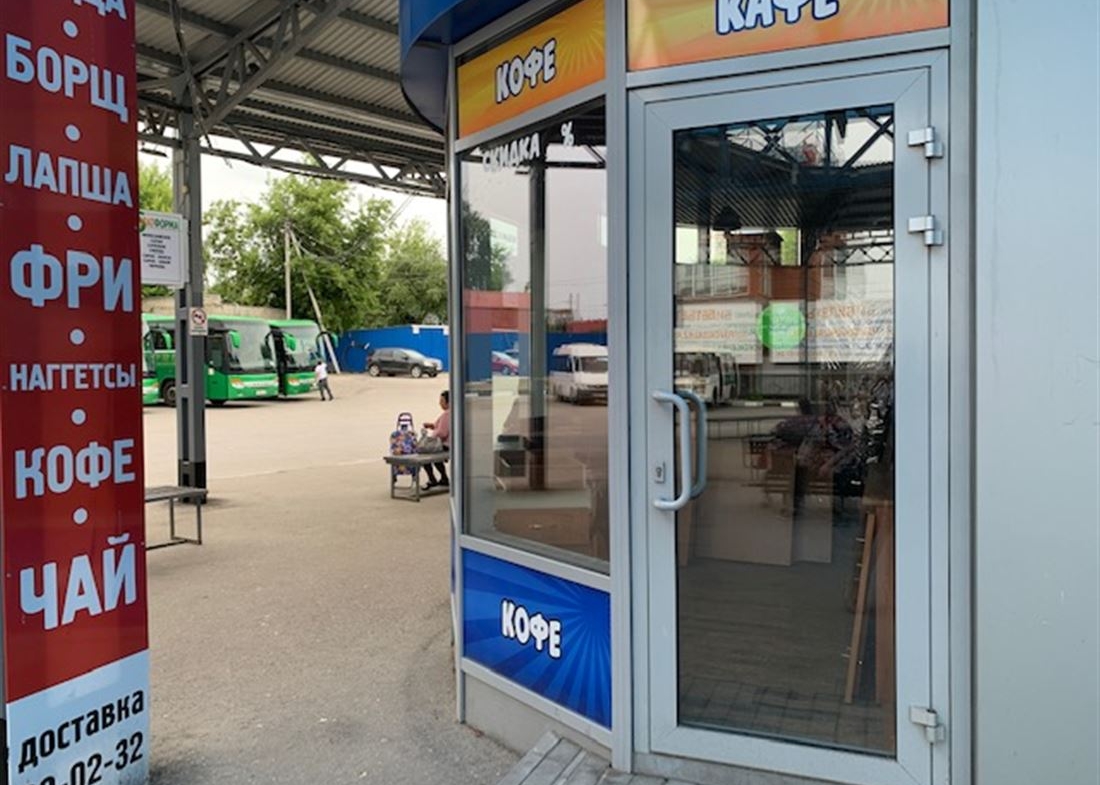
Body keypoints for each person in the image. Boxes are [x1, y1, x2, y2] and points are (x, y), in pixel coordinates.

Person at [421, 390, 450, 490]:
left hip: (446, 444)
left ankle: (432, 479)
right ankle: (444, 478)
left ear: (448, 402)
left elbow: (442, 433)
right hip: (451, 444)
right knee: (436, 456)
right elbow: (443, 427)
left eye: (442, 401)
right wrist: (432, 426)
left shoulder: (447, 414)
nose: (440, 403)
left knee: (424, 452)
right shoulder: (454, 412)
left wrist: (430, 439)